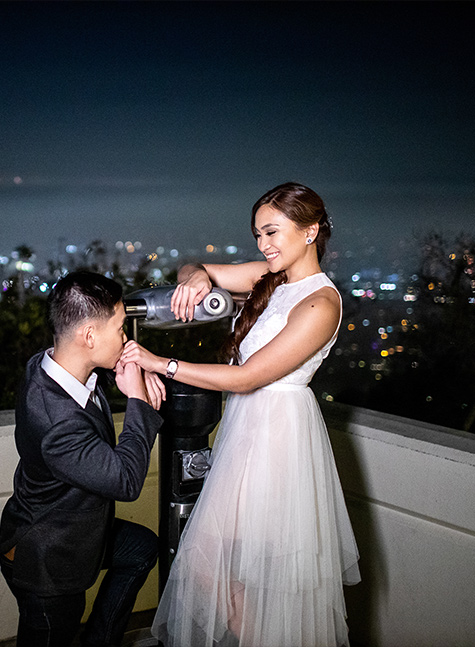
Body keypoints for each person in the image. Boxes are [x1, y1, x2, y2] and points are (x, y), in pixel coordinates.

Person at [121, 182, 361, 646]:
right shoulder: (269, 276)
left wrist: (160, 363)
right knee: (214, 559)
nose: (264, 245)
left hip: (279, 434)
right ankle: (248, 632)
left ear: (310, 231)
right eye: (257, 235)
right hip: (246, 427)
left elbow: (248, 378)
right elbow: (199, 266)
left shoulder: (320, 302)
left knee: (251, 566)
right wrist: (195, 278)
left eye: (273, 232)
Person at [0, 270, 166, 647]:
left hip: (74, 530)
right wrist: (138, 402)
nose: (126, 338)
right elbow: (125, 481)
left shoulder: (48, 364)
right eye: (119, 329)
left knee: (142, 548)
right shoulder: (56, 422)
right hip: (49, 558)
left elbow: (84, 406)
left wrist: (125, 371)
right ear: (89, 336)